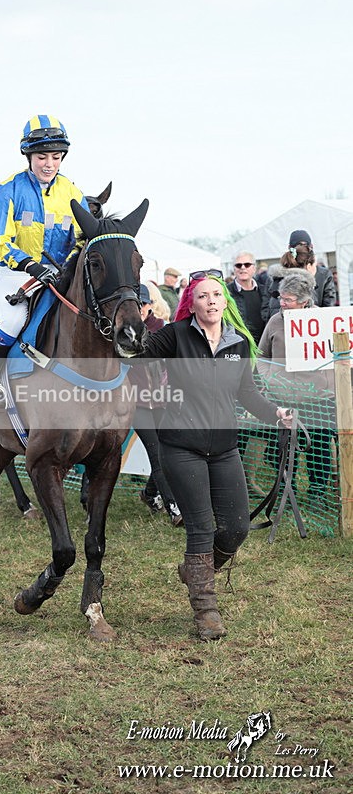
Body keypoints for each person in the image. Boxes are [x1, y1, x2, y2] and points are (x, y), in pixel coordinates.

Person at [138, 270, 292, 641]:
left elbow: (246, 394)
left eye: (216, 295)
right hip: (181, 448)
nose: (210, 301)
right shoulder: (174, 336)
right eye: (202, 296)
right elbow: (137, 357)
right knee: (201, 529)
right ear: (191, 302)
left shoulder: (237, 343)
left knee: (237, 527)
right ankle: (206, 611)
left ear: (225, 302)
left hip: (224, 449)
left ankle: (196, 570)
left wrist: (276, 414)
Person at [0, 114, 89, 410]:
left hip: (59, 276)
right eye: (41, 156)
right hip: (16, 276)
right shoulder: (7, 190)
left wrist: (71, 264)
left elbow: (83, 238)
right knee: (12, 320)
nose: (48, 163)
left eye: (55, 156)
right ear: (28, 155)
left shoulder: (73, 193)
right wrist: (28, 265)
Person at [258, 271, 335, 505]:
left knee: (318, 448)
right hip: (284, 397)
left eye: (288, 299)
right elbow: (262, 355)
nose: (282, 303)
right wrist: (269, 377)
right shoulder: (274, 321)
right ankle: (284, 491)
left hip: (317, 399)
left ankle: (317, 492)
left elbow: (335, 353)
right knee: (282, 448)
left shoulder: (321, 320)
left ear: (304, 301)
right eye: (281, 297)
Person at [132, 284, 182, 525]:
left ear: (150, 305)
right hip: (136, 403)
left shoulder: (163, 329)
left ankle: (150, 493)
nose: (139, 308)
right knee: (156, 451)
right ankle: (175, 508)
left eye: (142, 303)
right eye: (135, 304)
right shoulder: (125, 331)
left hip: (163, 401)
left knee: (167, 449)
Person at [261, 230, 336, 322]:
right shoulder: (277, 276)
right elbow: (327, 310)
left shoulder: (275, 275)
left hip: (284, 327)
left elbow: (328, 307)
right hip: (307, 327)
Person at [226, 252, 266, 343]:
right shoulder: (226, 293)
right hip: (239, 345)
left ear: (254, 268)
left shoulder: (265, 291)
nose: (243, 268)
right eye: (238, 265)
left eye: (247, 265)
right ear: (234, 269)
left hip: (263, 345)